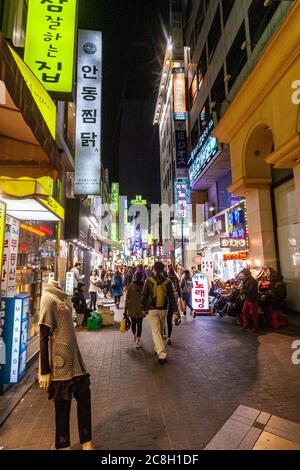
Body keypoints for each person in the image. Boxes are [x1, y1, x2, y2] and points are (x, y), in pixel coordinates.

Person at [39, 280, 94, 450]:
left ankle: (87, 441)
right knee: (62, 405)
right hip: (60, 361)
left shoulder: (61, 297)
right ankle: (63, 444)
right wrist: (45, 370)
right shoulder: (48, 299)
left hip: (75, 359)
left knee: (84, 397)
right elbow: (43, 335)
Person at [141, 261, 178, 364]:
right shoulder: (168, 281)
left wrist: (143, 308)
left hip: (152, 309)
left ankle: (161, 354)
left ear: (154, 269)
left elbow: (144, 296)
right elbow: (171, 297)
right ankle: (157, 348)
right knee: (160, 330)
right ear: (163, 270)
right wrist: (175, 310)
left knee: (156, 331)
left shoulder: (149, 281)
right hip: (164, 309)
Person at [124, 271, 145, 349]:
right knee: (139, 324)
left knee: (133, 323)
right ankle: (138, 340)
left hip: (131, 308)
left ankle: (135, 336)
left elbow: (127, 299)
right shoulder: (144, 285)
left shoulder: (131, 286)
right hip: (140, 308)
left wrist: (125, 311)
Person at [166, 267, 182, 343]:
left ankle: (164, 333)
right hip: (174, 297)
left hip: (167, 300)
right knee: (174, 309)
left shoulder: (167, 279)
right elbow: (178, 287)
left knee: (165, 319)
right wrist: (180, 295)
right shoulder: (176, 278)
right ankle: (169, 336)